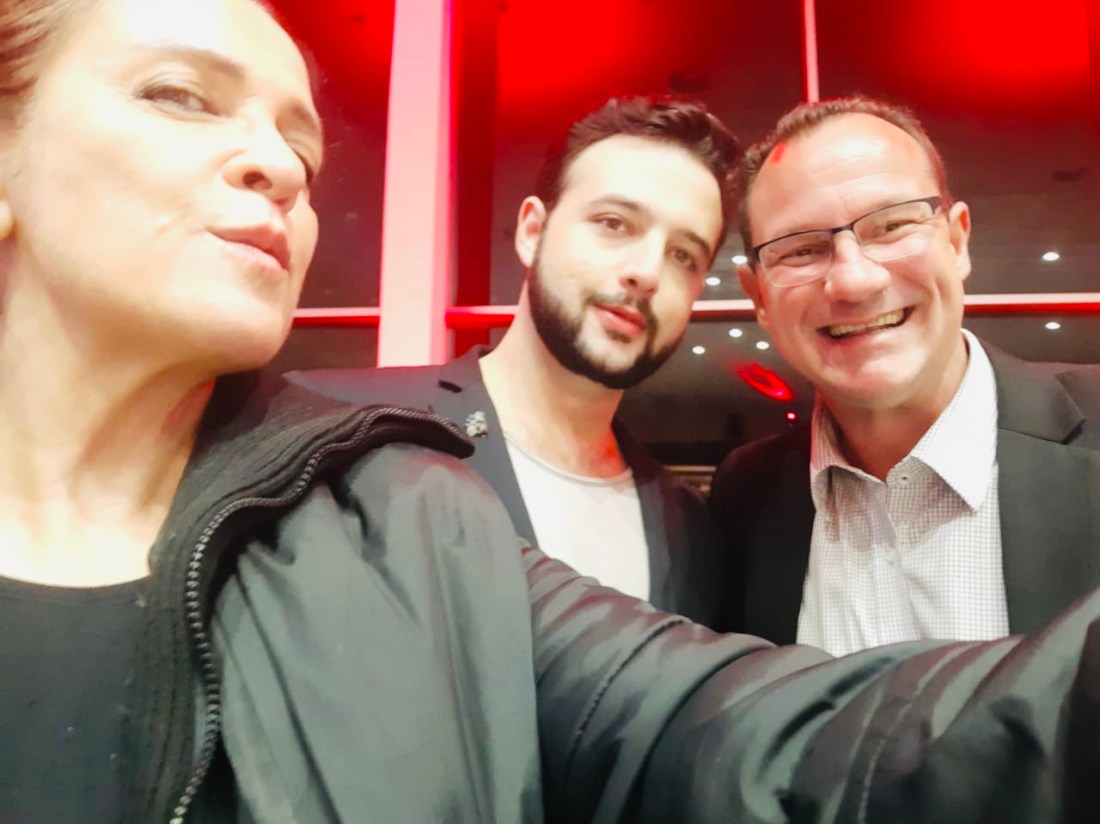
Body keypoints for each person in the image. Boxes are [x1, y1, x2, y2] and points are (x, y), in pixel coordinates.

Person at [3, 1, 1100, 821]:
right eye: (179, 95)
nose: (279, 166)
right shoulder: (362, 459)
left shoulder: (412, 507)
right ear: (531, 229)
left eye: (302, 143)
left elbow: (730, 723)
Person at [291, 96, 733, 623]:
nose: (648, 272)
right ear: (532, 232)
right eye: (614, 223)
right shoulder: (337, 424)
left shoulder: (691, 527)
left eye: (684, 255)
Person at [712, 96, 1100, 653]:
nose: (854, 281)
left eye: (892, 225)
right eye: (800, 250)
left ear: (957, 241)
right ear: (759, 299)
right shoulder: (746, 498)